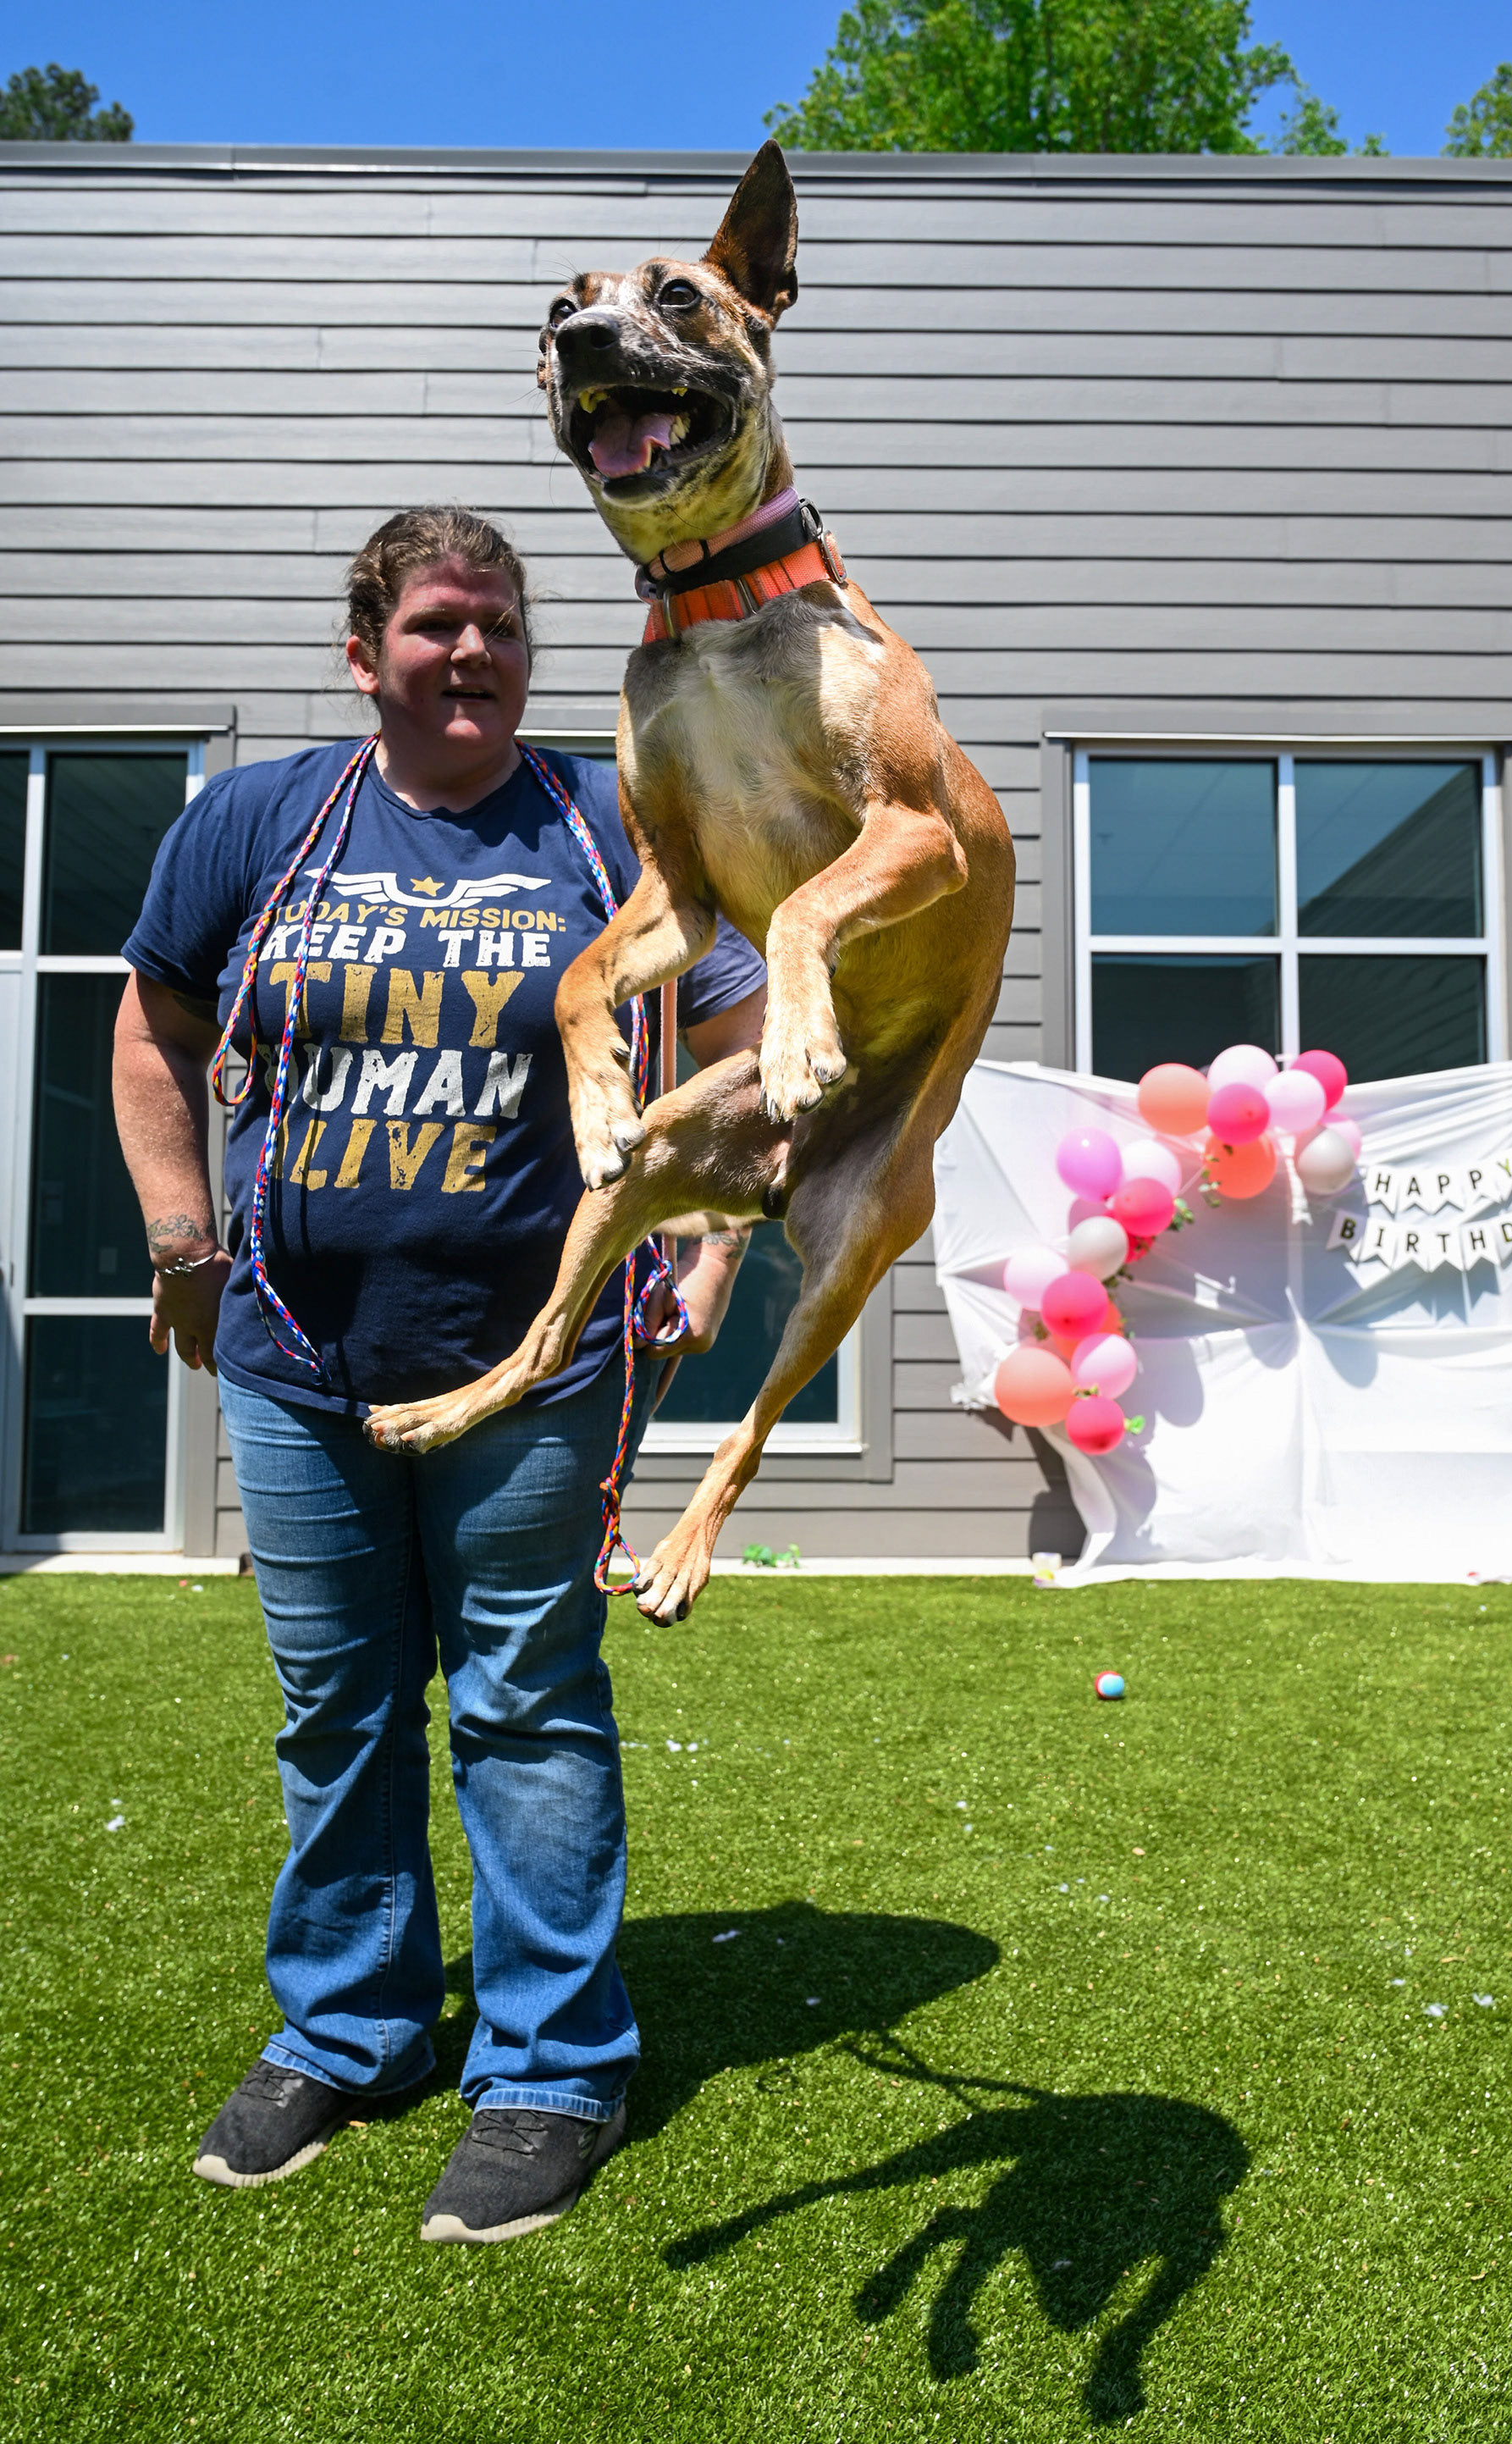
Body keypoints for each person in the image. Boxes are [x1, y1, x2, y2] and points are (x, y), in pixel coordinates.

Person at [112, 506, 765, 2242]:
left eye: (495, 624)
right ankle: (356, 2026)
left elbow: (741, 1041)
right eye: (433, 627)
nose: (468, 653)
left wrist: (705, 1245)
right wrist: (183, 1244)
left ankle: (553, 2067)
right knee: (338, 1709)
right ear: (365, 652)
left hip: (537, 1366)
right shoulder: (258, 824)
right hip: (298, 1354)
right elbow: (160, 1033)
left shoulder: (612, 823)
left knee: (525, 1704)